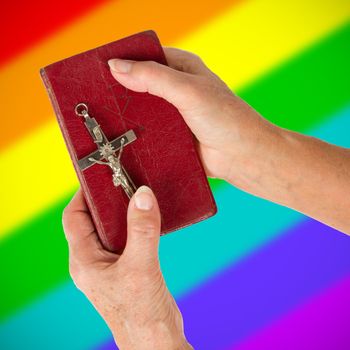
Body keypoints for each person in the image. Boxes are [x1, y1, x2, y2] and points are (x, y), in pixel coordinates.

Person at [62, 47, 350, 349]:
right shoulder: (104, 150)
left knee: (119, 170)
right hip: (119, 163)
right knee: (117, 171)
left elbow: (114, 146)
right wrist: (249, 154)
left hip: (117, 160)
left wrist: (147, 333)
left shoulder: (111, 147)